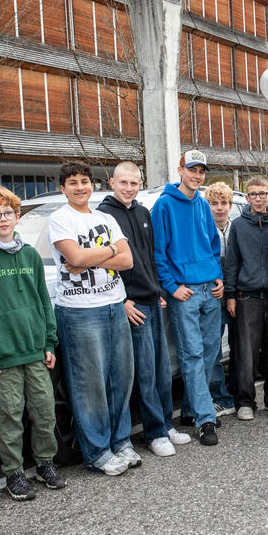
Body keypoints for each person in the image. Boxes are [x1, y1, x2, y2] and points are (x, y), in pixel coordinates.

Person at [0, 187, 67, 499]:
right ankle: (14, 473)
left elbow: (42, 303)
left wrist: (49, 341)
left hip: (35, 349)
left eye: (8, 213)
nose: (3, 219)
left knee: (44, 410)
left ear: (17, 216)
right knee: (9, 415)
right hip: (2, 355)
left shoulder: (30, 255)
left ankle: (45, 463)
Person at [48, 161, 138, 474]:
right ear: (63, 189)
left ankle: (121, 441)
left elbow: (127, 260)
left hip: (114, 304)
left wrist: (95, 257)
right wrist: (109, 252)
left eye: (84, 181)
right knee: (90, 385)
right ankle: (97, 452)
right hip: (79, 310)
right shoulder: (60, 219)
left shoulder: (105, 218)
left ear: (92, 185)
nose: (80, 187)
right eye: (72, 182)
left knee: (121, 379)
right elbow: (74, 257)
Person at [98, 162, 192, 456]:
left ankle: (165, 424)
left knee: (162, 370)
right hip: (130, 304)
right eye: (123, 182)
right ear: (112, 182)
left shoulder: (142, 213)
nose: (129, 188)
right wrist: (122, 300)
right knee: (146, 373)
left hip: (152, 299)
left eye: (134, 183)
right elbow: (101, 264)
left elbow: (149, 257)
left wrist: (158, 289)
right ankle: (153, 432)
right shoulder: (103, 216)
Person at [152, 150, 224, 445]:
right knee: (192, 354)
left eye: (201, 171)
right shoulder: (164, 206)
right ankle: (206, 420)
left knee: (210, 352)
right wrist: (171, 286)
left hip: (211, 288)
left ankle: (194, 408)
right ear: (180, 170)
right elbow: (158, 252)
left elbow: (212, 242)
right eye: (192, 170)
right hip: (186, 293)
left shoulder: (203, 205)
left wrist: (219, 275)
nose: (197, 176)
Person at [223, 176, 268, 422]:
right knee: (246, 353)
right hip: (247, 296)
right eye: (253, 194)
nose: (258, 198)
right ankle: (245, 401)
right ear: (247, 198)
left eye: (262, 193)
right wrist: (230, 295)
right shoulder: (238, 225)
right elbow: (232, 262)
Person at [203, 181, 237, 418]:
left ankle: (237, 393)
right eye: (214, 203)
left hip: (235, 294)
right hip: (213, 294)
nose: (219, 208)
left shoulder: (236, 227)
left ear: (230, 205)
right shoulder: (203, 229)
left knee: (238, 346)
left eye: (223, 203)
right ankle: (218, 396)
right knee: (213, 347)